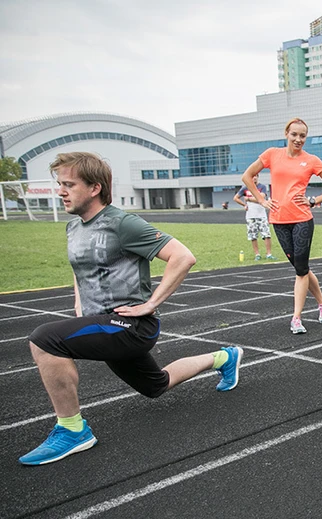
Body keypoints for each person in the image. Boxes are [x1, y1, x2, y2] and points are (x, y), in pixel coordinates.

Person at [19, 152, 243, 466]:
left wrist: (151, 304)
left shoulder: (123, 223)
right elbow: (80, 267)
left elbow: (183, 257)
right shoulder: (74, 228)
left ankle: (72, 430)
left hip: (130, 325)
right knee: (156, 385)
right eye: (60, 184)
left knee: (44, 339)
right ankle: (224, 357)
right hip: (104, 323)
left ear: (95, 188)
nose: (61, 191)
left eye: (68, 184)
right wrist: (79, 303)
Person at [241, 118, 322, 334]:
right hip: (278, 220)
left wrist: (314, 201)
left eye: (302, 136)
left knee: (301, 271)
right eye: (294, 134)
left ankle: (296, 317)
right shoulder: (271, 154)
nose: (298, 139)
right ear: (287, 133)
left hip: (302, 219)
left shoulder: (312, 160)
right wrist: (260, 199)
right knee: (301, 268)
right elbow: (247, 176)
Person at [233, 173, 275, 261]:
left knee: (266, 234)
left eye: (256, 176)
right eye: (253, 176)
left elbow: (261, 198)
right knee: (253, 236)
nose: (254, 178)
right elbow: (236, 198)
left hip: (261, 215)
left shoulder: (262, 187)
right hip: (250, 215)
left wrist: (248, 199)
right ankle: (257, 254)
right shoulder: (245, 188)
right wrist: (244, 204)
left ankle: (269, 253)